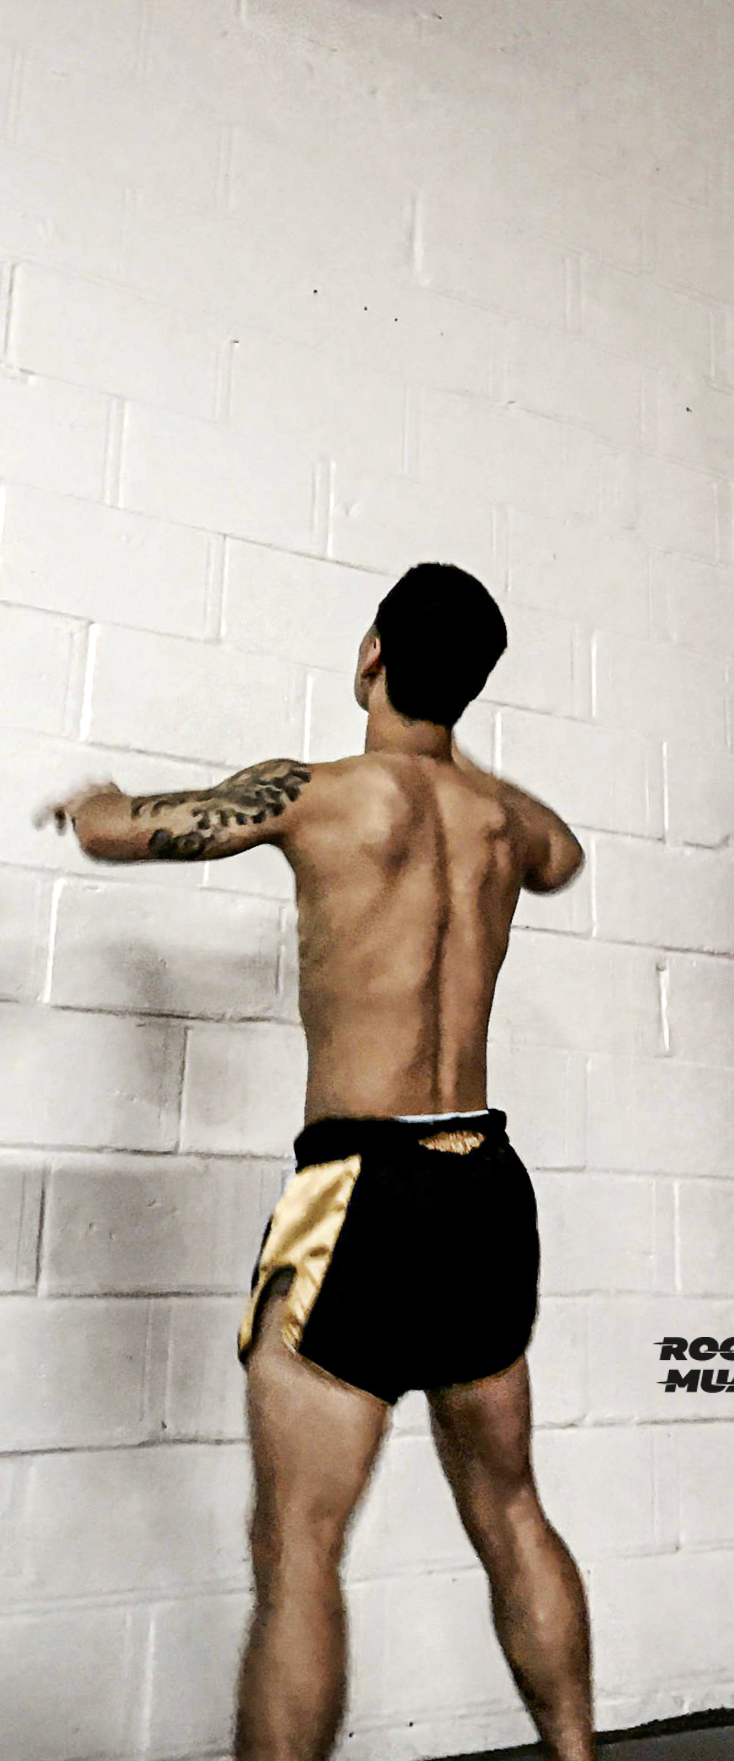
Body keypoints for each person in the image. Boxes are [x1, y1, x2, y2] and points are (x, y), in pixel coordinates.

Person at [35, 562, 594, 1761]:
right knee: (509, 1505)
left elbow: (136, 831)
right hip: (487, 1178)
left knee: (296, 1548)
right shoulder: (507, 822)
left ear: (370, 656)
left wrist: (95, 804)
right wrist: (464, 780)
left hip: (357, 1186)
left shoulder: (325, 794)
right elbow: (565, 857)